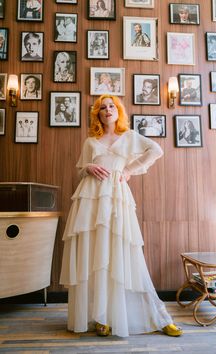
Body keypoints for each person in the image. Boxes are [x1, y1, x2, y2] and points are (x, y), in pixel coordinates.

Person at [60, 94, 183, 338]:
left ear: (118, 111)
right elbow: (80, 170)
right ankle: (101, 317)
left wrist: (128, 170)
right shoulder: (90, 141)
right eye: (102, 107)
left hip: (116, 198)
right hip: (90, 200)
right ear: (97, 113)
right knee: (94, 255)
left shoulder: (128, 137)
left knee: (120, 254)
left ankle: (157, 315)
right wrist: (88, 168)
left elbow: (156, 150)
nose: (107, 110)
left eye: (111, 106)